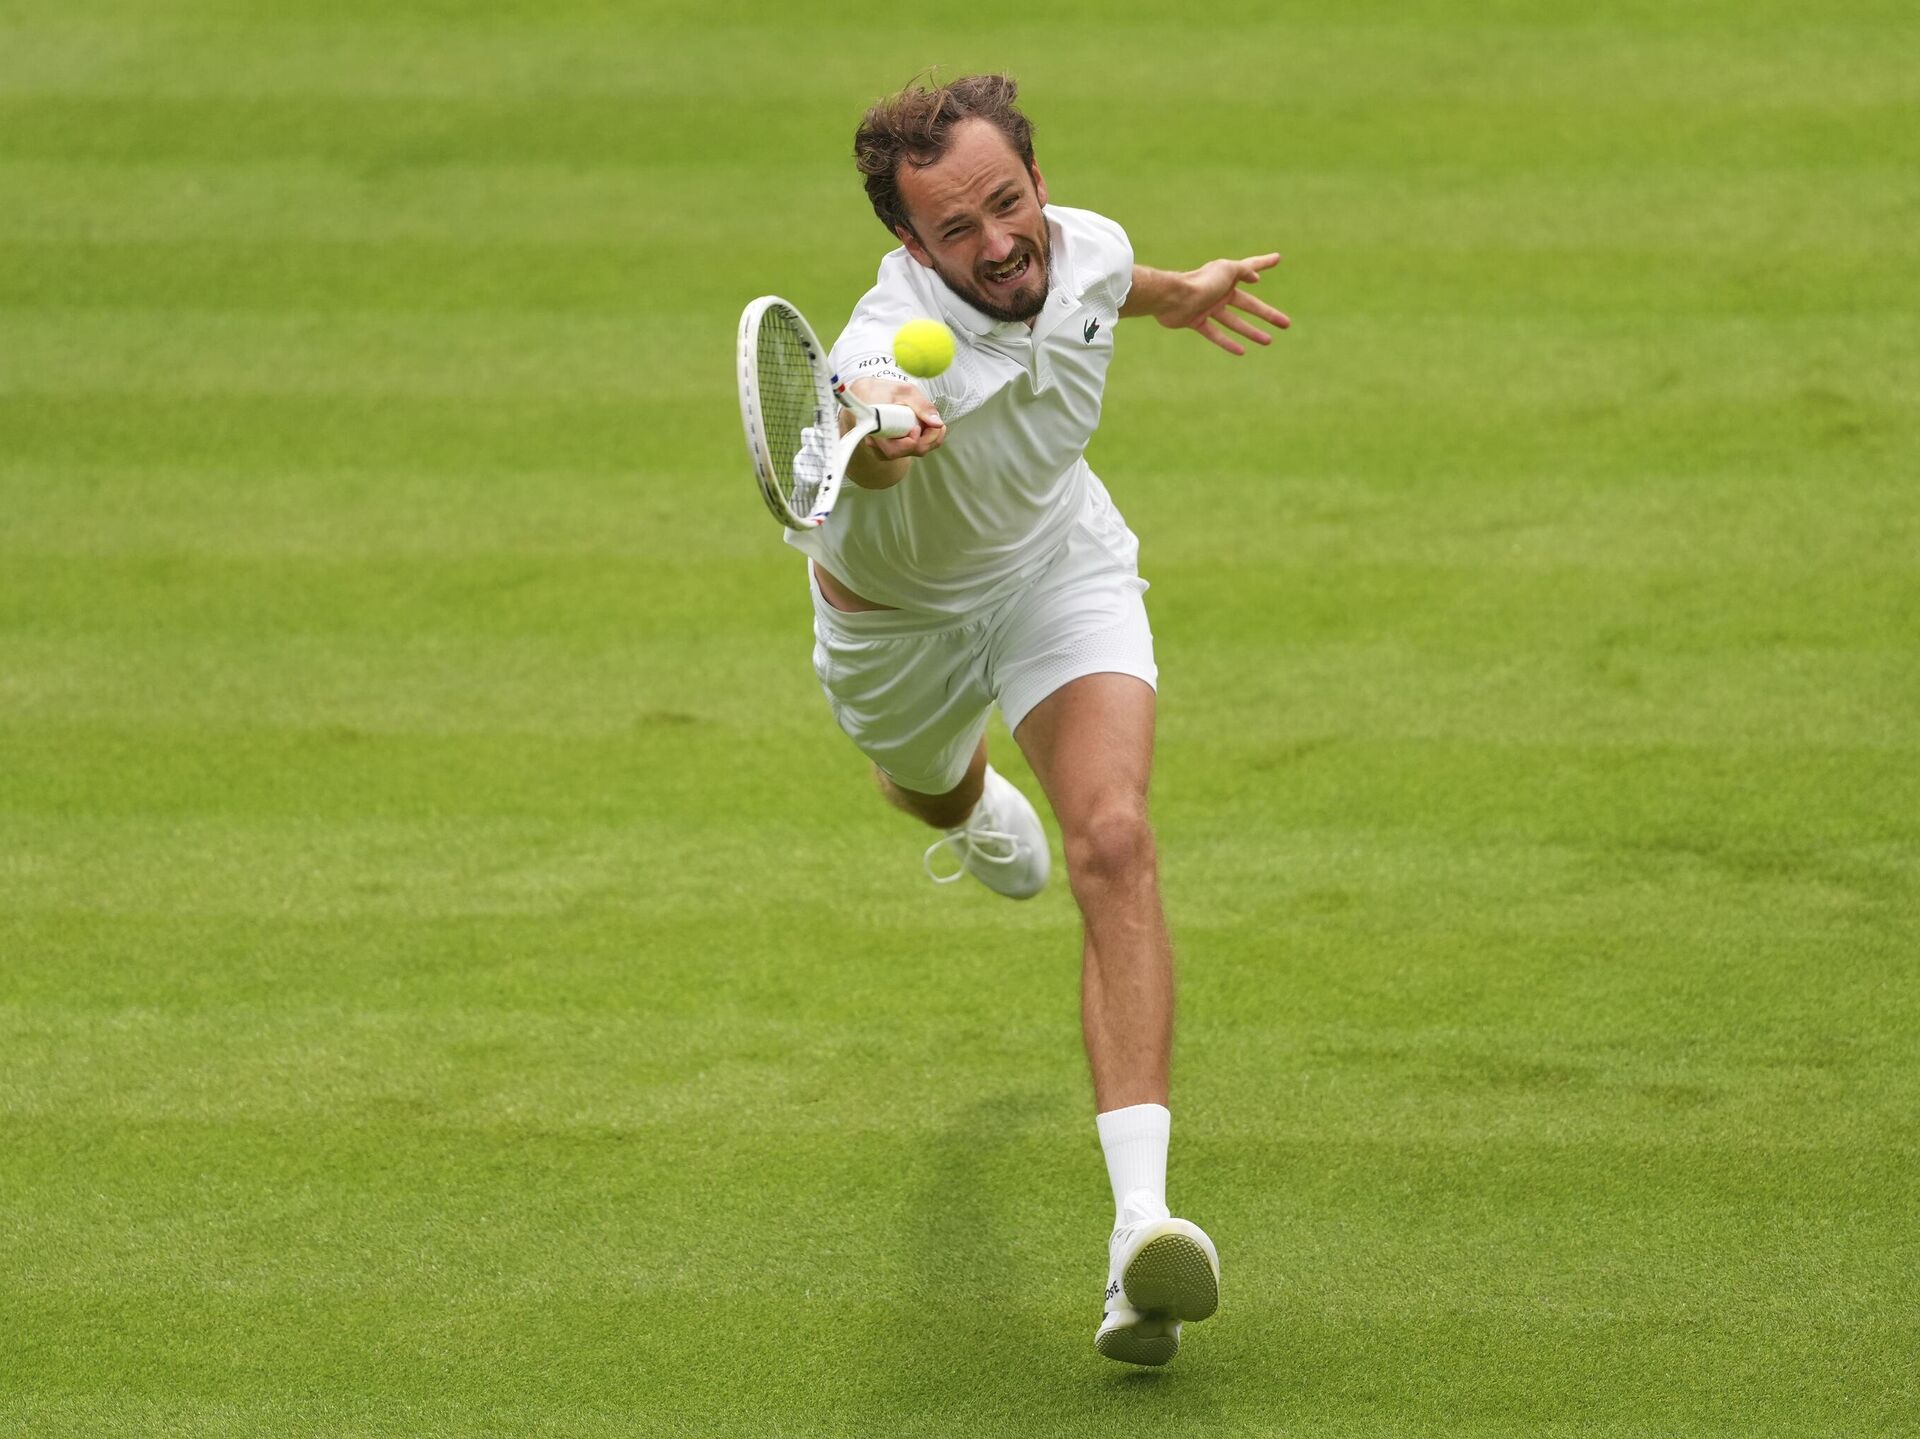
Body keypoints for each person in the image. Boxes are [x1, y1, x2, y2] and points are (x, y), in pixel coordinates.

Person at [790, 73, 1288, 1367]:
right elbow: (864, 417)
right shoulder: (879, 346)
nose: (999, 242)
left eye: (1008, 203)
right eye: (957, 230)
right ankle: (969, 805)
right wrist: (883, 434)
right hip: (897, 633)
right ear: (911, 244)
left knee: (1114, 841)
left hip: (1057, 572)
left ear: (1038, 181)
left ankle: (1140, 1232)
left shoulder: (1087, 245)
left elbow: (1115, 282)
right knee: (929, 786)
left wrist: (1188, 293)